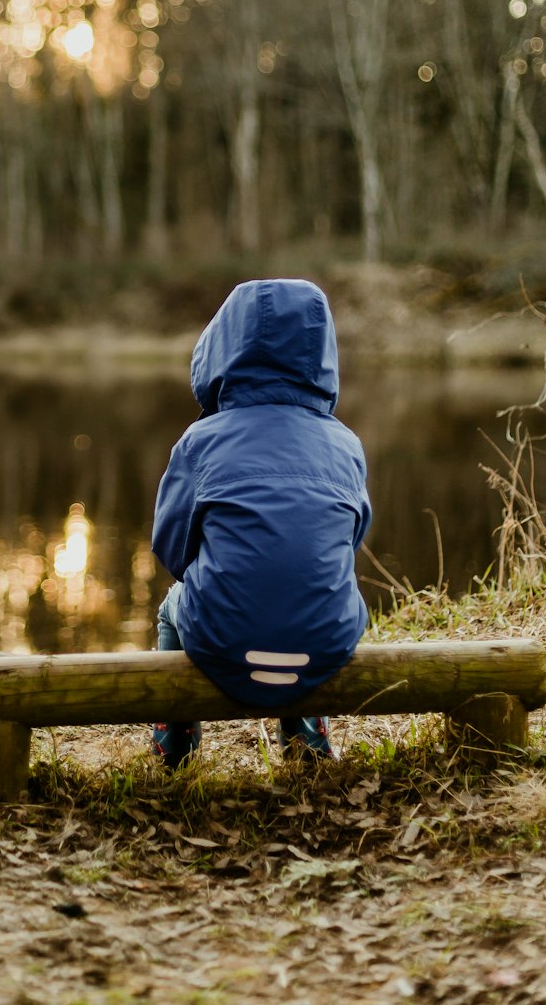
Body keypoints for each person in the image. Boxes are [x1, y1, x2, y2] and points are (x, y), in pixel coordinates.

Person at [150, 278, 371, 766]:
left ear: (223, 347)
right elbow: (349, 539)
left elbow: (171, 550)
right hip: (325, 641)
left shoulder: (200, 441)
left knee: (173, 605)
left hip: (221, 640)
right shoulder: (345, 444)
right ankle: (307, 741)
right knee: (316, 594)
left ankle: (175, 746)